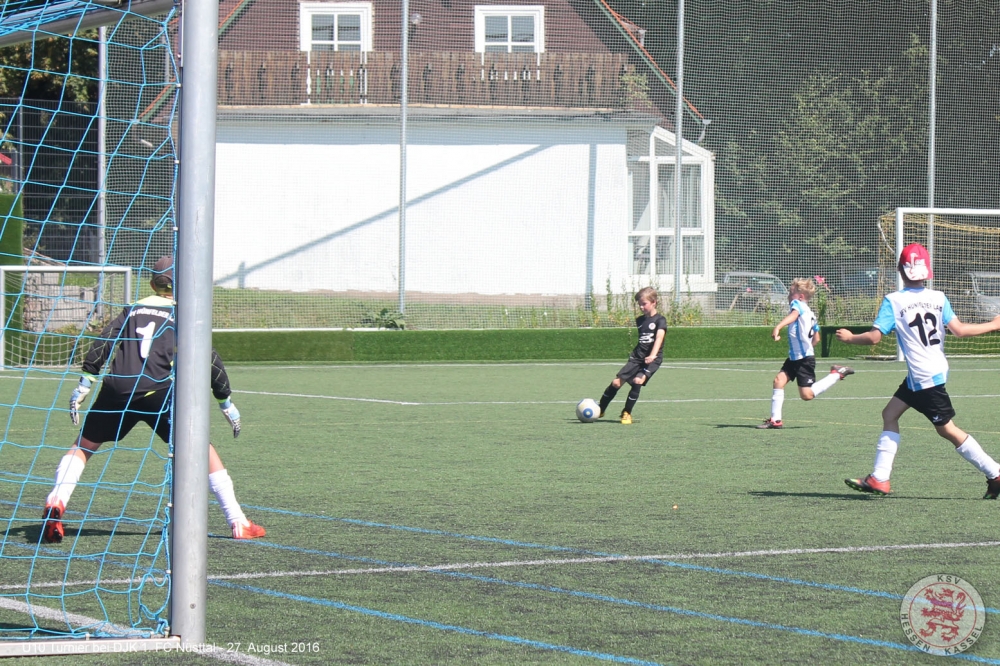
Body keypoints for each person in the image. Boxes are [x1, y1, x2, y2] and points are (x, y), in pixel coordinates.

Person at [41, 256, 266, 543]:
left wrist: (85, 383)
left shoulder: (132, 309)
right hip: (157, 392)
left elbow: (103, 342)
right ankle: (238, 521)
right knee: (202, 449)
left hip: (117, 389)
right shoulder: (184, 313)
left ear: (151, 284)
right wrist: (225, 402)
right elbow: (211, 360)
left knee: (83, 447)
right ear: (184, 284)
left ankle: (57, 500)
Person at [836, 243, 1000, 497]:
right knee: (890, 413)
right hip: (928, 372)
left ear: (900, 270)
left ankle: (995, 472)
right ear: (927, 271)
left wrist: (849, 338)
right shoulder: (938, 297)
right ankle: (879, 478)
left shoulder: (894, 301)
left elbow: (874, 337)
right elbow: (959, 331)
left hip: (924, 376)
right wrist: (993, 324)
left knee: (947, 429)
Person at [757, 277, 854, 429]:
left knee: (806, 395)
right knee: (778, 381)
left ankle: (836, 373)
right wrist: (806, 348)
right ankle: (775, 420)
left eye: (791, 292)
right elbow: (817, 338)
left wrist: (778, 327)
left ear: (801, 296)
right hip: (796, 357)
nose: (789, 296)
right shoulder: (811, 314)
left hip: (803, 359)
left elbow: (794, 316)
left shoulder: (797, 305)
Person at [596, 287, 667, 425]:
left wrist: (652, 355)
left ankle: (627, 412)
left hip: (653, 359)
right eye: (639, 304)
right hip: (637, 357)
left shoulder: (660, 320)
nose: (641, 307)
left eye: (644, 304)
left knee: (637, 381)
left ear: (654, 302)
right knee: (616, 383)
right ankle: (600, 409)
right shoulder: (639, 320)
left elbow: (659, 338)